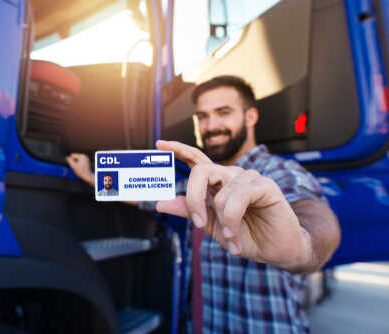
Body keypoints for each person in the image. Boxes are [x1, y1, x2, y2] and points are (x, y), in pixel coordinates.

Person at [66, 75, 340, 333]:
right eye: (202, 116)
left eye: (223, 113)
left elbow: (316, 219)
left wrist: (301, 247)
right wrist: (91, 176)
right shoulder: (200, 180)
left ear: (251, 116)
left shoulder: (281, 173)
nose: (211, 126)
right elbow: (152, 195)